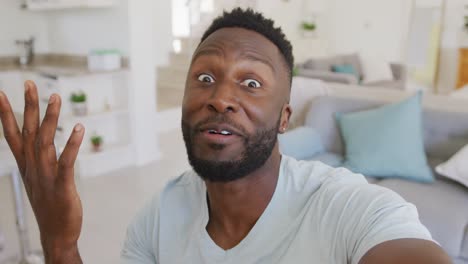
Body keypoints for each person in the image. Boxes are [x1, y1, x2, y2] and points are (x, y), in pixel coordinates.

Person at [0, 8, 452, 264]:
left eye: (251, 83)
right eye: (203, 78)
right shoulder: (157, 219)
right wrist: (60, 244)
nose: (220, 98)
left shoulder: (349, 207)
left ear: (284, 117)